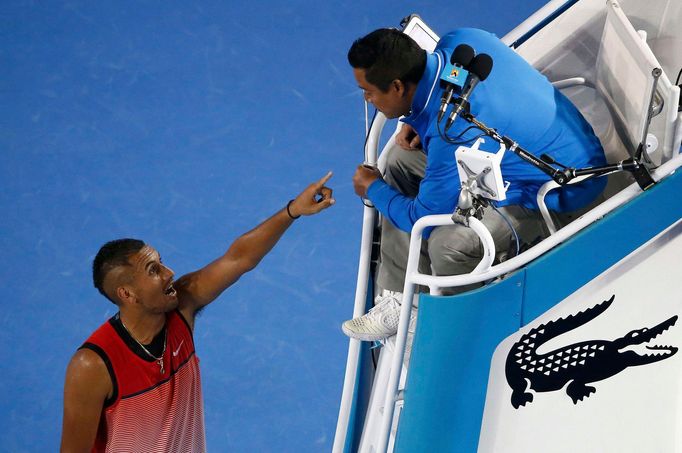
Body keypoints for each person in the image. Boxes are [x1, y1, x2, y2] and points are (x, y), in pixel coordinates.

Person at [341, 28, 607, 341]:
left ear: (398, 86)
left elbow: (421, 219)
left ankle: (470, 335)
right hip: (554, 144)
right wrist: (416, 120)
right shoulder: (460, 41)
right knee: (400, 161)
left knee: (448, 245)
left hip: (557, 190)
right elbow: (447, 97)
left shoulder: (451, 129)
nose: (367, 99)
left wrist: (373, 188)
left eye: (369, 92)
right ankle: (405, 303)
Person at [60, 173, 334, 452]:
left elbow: (238, 258)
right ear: (127, 294)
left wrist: (293, 211)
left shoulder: (182, 305)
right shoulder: (92, 366)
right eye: (153, 271)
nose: (169, 273)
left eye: (162, 263)